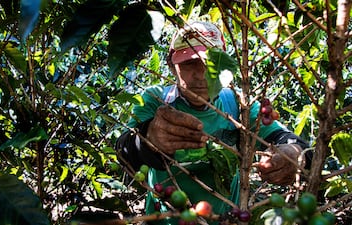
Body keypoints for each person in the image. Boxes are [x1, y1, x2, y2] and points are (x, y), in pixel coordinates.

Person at [115, 21, 309, 224]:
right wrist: (146, 139)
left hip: (223, 218)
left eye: (211, 64)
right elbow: (124, 151)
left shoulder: (238, 103)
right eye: (189, 64)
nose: (200, 75)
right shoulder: (155, 100)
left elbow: (280, 137)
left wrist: (295, 153)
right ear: (172, 67)